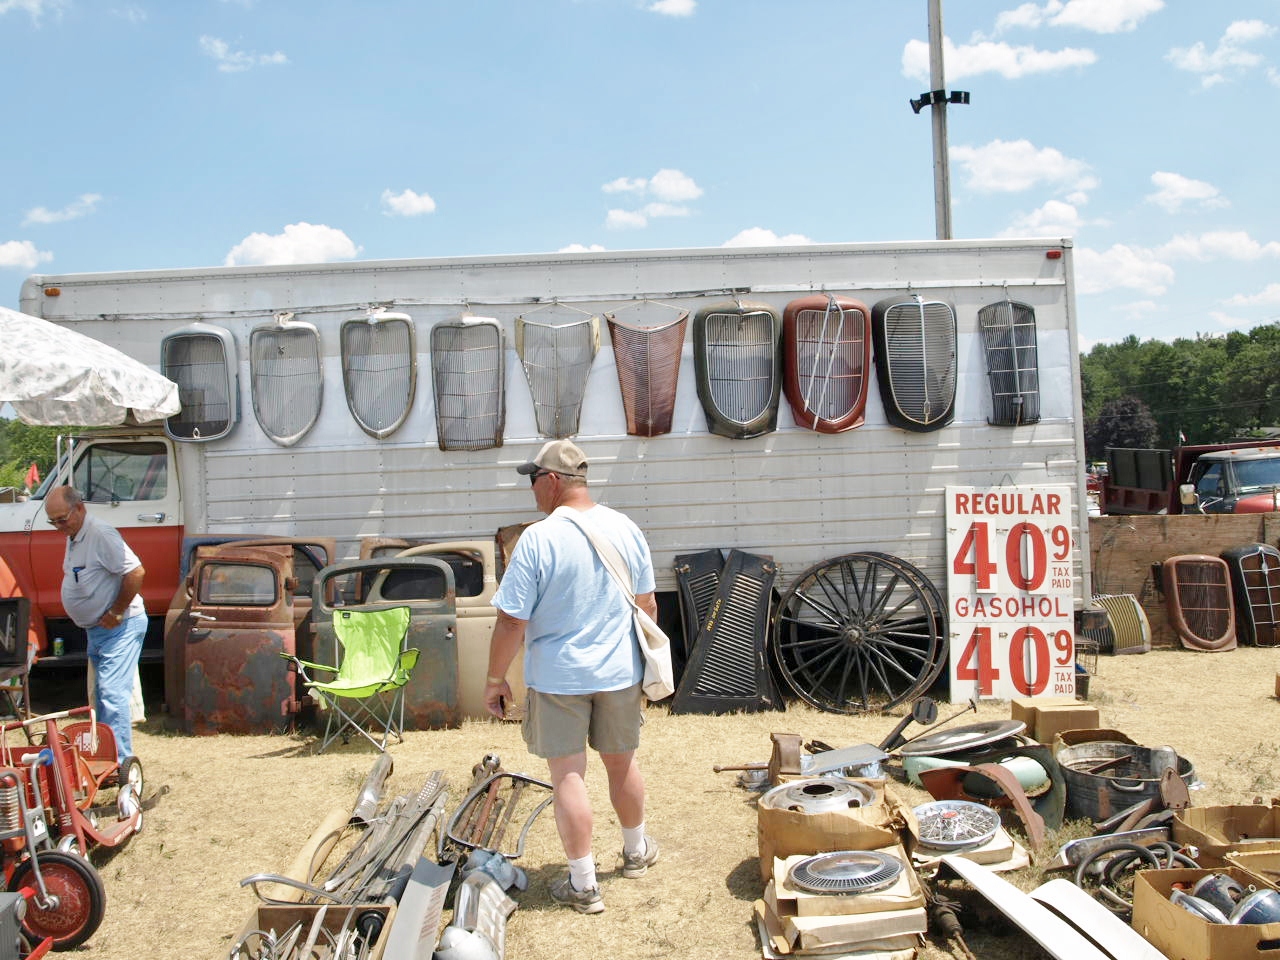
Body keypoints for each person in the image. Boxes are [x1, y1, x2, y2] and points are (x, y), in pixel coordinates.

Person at [484, 439, 659, 915]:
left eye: (533, 479)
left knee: (567, 776)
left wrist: (495, 679)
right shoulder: (625, 527)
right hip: (619, 671)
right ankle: (636, 852)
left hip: (559, 677)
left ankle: (584, 884)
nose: (532, 489)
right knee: (622, 765)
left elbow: (511, 621)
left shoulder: (537, 539)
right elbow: (647, 606)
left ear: (554, 480)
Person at [44, 485, 146, 762]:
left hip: (120, 626)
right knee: (100, 697)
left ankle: (122, 765)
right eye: (52, 522)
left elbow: (135, 572)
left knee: (112, 695)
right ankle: (106, 758)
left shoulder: (100, 533)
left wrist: (116, 612)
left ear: (80, 508)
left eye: (62, 519)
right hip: (98, 630)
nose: (58, 526)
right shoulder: (74, 535)